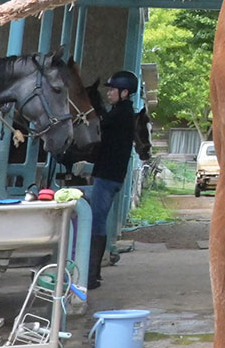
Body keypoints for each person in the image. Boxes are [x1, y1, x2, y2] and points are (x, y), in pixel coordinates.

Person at [88, 69, 139, 290]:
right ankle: (94, 272)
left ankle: (92, 274)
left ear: (125, 93)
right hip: (111, 175)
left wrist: (94, 102)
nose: (109, 94)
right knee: (97, 221)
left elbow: (103, 123)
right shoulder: (122, 111)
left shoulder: (123, 113)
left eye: (113, 91)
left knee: (96, 223)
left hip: (107, 176)